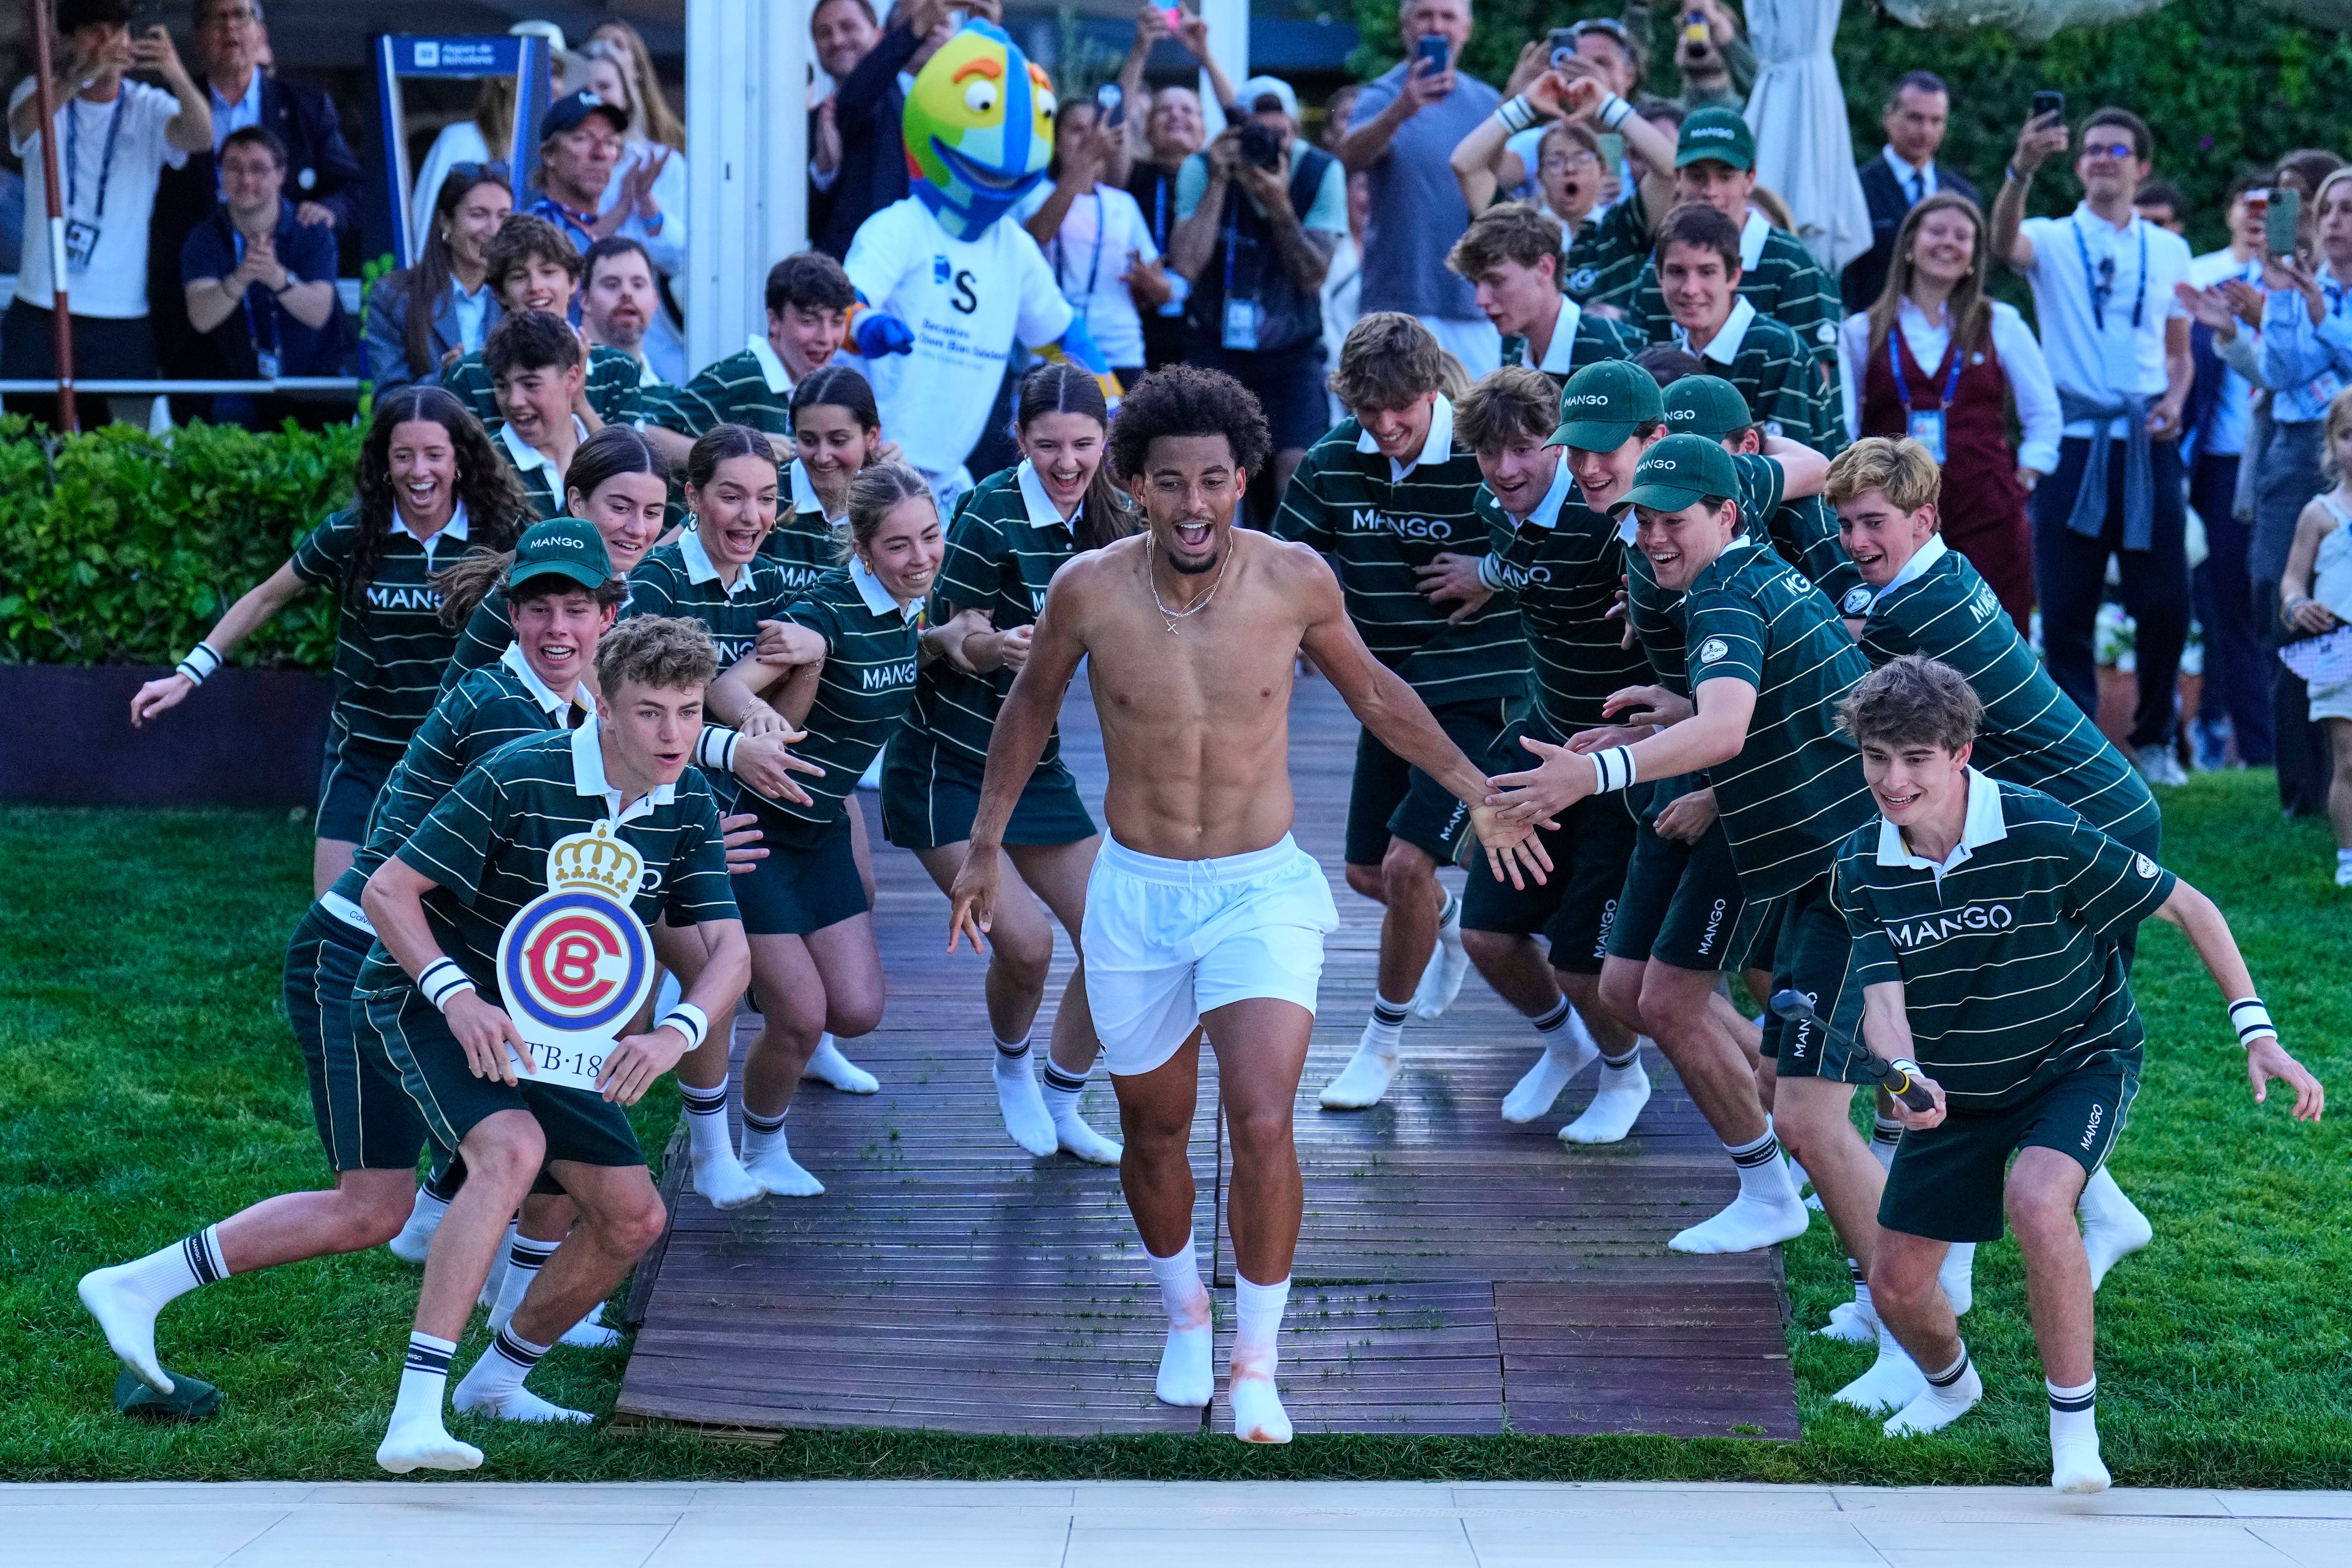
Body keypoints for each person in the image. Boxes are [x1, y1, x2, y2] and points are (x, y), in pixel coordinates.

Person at [943, 364, 1543, 1443]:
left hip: (1258, 889)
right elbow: (1027, 711)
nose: (1191, 504)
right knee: (1153, 1127)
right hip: (1136, 894)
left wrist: (1475, 793)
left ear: (1242, 479)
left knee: (1265, 1119)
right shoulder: (1085, 588)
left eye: (1213, 480)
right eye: (1168, 482)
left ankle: (1258, 1364)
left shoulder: (1295, 578)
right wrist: (985, 847)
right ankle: (1184, 1319)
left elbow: (1376, 695)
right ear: (1132, 484)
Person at [77, 521, 631, 1407]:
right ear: (511, 615)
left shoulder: (575, 702)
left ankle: (495, 1356)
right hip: (362, 958)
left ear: (611, 612)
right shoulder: (500, 711)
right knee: (379, 1203)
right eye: (539, 609)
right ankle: (144, 1285)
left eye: (578, 607)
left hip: (445, 964)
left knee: (510, 1154)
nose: (558, 627)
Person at [1830, 654, 2323, 1493]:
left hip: (2078, 1056)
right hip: (1963, 1085)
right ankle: (1953, 1388)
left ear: (1960, 753)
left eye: (1914, 757)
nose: (1893, 777)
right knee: (1897, 1285)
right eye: (1878, 756)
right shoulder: (1861, 865)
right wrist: (1906, 1074)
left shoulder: (2040, 830)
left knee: (2037, 1197)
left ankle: (2075, 1439)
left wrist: (2257, 1030)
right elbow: (1882, 1004)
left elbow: (2188, 905)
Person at [354, 614, 749, 1472]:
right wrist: (454, 996)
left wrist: (676, 1034)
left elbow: (732, 953)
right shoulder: (517, 770)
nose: (673, 733)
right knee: (512, 1151)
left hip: (562, 1035)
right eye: (650, 711)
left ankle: (495, 1380)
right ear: (603, 707)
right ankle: (414, 1414)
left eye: (688, 710)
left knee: (635, 1217)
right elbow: (389, 892)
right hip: (435, 1002)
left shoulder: (688, 803)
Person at [1491, 431, 1884, 1269]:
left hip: (1839, 863)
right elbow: (1764, 697)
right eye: (1640, 519)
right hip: (1817, 850)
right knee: (1647, 997)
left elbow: (1729, 725)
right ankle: (1822, 1226)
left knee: (1802, 1100)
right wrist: (1669, 707)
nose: (1650, 535)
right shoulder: (1742, 575)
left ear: (1728, 512)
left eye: (1671, 519)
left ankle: (1901, 1305)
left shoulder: (1724, 596)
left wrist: (1593, 772)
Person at [1826, 435, 2165, 1358]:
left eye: (1873, 523)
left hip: (2086, 829)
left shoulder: (1914, 612)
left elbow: (1832, 701)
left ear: (1922, 521)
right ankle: (2103, 1217)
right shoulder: (1944, 573)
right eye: (1845, 522)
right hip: (2096, 808)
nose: (1855, 539)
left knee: (2001, 1040)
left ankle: (1955, 1274)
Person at [1542, 360, 1825, 1253]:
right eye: (1575, 452)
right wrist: (1669, 707)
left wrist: (1611, 771)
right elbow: (1725, 702)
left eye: (1604, 452)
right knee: (1630, 991)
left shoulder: (1722, 567)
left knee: (1704, 1006)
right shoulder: (1672, 537)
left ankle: (1793, 1175)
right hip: (1719, 776)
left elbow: (1736, 721)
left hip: (1769, 803)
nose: (1588, 470)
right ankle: (1791, 1145)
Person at [132, 386, 529, 894]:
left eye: (434, 454)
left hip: (462, 753)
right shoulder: (352, 532)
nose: (418, 471)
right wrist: (189, 674)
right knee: (334, 922)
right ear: (385, 463)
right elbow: (266, 599)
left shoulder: (501, 534)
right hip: (365, 752)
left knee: (453, 921)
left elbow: (556, 610)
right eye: (403, 456)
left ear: (460, 460)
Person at [1271, 313, 1524, 1109]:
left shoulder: (1488, 447)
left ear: (1431, 389)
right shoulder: (1334, 459)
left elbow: (1574, 525)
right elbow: (1282, 564)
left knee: (1408, 866)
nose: (1384, 428)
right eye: (1366, 411)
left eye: (1401, 412)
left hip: (1487, 690)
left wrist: (1492, 567)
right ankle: (1447, 923)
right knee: (1365, 873)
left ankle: (1380, 1045)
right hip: (1387, 694)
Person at [886, 363, 1130, 1162]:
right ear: (1019, 440)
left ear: (1106, 441)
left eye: (1083, 444)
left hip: (1036, 760)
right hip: (947, 760)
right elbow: (944, 639)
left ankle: (1063, 1096)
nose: (1067, 462)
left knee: (1122, 938)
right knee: (1027, 946)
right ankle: (1012, 1065)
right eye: (1048, 444)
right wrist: (993, 646)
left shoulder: (1117, 511)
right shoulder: (990, 509)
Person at [699, 461, 948, 1194]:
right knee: (804, 1016)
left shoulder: (910, 605)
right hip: (757, 831)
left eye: (930, 537)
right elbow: (724, 685)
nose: (921, 557)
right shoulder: (824, 612)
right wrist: (762, 717)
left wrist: (960, 636)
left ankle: (763, 986)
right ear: (864, 551)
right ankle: (762, 1146)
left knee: (859, 1011)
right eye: (898, 547)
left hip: (822, 829)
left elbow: (903, 648)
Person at [1437, 366, 1652, 1138]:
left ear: (1561, 449)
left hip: (1621, 767)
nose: (1506, 469)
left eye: (1527, 449)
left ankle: (1625, 1078)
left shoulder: (1613, 526)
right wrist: (1485, 574)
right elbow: (1517, 556)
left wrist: (1653, 596)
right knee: (1486, 933)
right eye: (1490, 451)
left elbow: (1685, 566)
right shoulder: (1492, 508)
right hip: (1540, 745)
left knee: (1582, 960)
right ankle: (1566, 1044)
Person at [1991, 105, 2194, 788]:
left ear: (2142, 168)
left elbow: (2179, 353)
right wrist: (2022, 167)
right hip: (2074, 443)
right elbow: (2001, 245)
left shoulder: (2168, 249)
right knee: (2069, 601)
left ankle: (2157, 737)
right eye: (2092, 150)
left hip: (2145, 442)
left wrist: (2173, 401)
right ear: (2078, 165)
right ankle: (2079, 748)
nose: (2104, 158)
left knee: (2164, 600)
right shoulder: (2049, 237)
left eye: (2118, 150)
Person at [841, 19, 1117, 512]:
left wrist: (1113, 403)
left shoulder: (1012, 246)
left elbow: (1062, 336)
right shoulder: (899, 227)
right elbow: (843, 305)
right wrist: (866, 325)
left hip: (948, 479)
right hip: (871, 467)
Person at [1840, 192, 2058, 632]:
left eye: (1963, 236)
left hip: (1988, 514)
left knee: (1996, 641)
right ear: (1909, 245)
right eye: (1936, 231)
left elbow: (2045, 415)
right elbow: (1846, 427)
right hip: (1896, 517)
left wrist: (2025, 477)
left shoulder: (2002, 324)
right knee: (1899, 642)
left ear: (1974, 256)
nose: (1949, 243)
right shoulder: (1862, 330)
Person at [2, 0, 210, 429]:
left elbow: (201, 136)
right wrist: (79, 75)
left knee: (122, 457)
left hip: (120, 317)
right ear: (69, 40)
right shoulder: (41, 92)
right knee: (31, 444)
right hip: (42, 307)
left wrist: (174, 72)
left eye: (118, 31)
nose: (109, 43)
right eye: (95, 31)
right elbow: (25, 125)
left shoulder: (149, 105)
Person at [149, 0, 361, 400]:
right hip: (199, 328)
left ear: (261, 34)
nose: (230, 28)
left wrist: (329, 213)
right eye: (217, 18)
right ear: (197, 38)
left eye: (241, 16)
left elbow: (353, 188)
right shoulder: (166, 105)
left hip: (295, 333)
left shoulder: (306, 106)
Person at [1164, 73, 1348, 508]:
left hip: (1293, 348)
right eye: (1256, 133)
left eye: (1278, 134)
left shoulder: (1320, 171)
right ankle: (1219, 572)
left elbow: (1313, 275)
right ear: (1235, 132)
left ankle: (1284, 573)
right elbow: (1187, 265)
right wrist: (1219, 183)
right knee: (1211, 471)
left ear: (1295, 131)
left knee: (1299, 470)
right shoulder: (1202, 167)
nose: (1269, 144)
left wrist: (1282, 205)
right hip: (1214, 343)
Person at [1338, 0, 1502, 377]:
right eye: (1424, 15)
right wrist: (1401, 110)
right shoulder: (1381, 95)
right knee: (1391, 423)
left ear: (1467, 29)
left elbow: (1511, 182)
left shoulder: (1487, 102)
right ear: (1405, 26)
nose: (1436, 26)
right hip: (1398, 301)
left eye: (1448, 16)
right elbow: (1347, 160)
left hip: (1476, 303)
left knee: (1478, 427)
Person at [439, 424, 671, 687]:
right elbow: (610, 704)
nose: (637, 529)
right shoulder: (537, 581)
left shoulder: (625, 580)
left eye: (652, 513)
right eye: (620, 508)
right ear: (577, 502)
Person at [2179, 176, 2271, 772]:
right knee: (2232, 604)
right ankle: (2257, 752)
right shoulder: (2201, 272)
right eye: (2251, 204)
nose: (2261, 216)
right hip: (2218, 462)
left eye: (2275, 206)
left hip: (2286, 454)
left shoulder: (2304, 281)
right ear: (2230, 211)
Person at [176, 125, 345, 428]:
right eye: (234, 169)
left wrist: (276, 277)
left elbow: (319, 312)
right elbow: (201, 317)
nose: (246, 180)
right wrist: (240, 278)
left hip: (313, 384)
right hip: (241, 385)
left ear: (281, 175)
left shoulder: (310, 230)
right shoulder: (205, 236)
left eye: (258, 169)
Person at [813, 0, 1002, 259]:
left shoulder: (966, 107)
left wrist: (986, 36)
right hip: (866, 268)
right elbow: (858, 93)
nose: (930, 29)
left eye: (942, 23)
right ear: (891, 39)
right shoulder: (859, 101)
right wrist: (916, 27)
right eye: (922, 22)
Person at [440, 215, 645, 438]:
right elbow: (470, 465)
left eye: (548, 272)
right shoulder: (468, 375)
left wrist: (580, 405)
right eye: (519, 277)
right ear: (500, 293)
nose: (536, 287)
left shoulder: (618, 369)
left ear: (573, 283)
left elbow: (634, 466)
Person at [648, 251, 855, 467]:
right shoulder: (742, 377)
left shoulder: (815, 388)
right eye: (809, 321)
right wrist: (734, 453)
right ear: (774, 321)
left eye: (838, 322)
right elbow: (649, 434)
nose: (826, 338)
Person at [1651, 203, 1833, 450]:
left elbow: (1788, 471)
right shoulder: (1667, 359)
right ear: (1659, 275)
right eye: (1677, 272)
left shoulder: (1778, 352)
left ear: (1735, 276)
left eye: (1707, 272)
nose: (1690, 289)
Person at [1117, 2, 1235, 372]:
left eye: (1188, 111)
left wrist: (1205, 55)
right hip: (1139, 326)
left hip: (1204, 329)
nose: (1176, 117)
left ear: (1204, 130)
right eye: (1164, 111)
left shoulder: (1219, 176)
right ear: (1148, 129)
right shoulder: (1132, 173)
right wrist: (1139, 51)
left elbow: (1242, 120)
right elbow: (1118, 122)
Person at [1020, 97, 1166, 389]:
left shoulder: (1123, 204)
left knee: (1126, 435)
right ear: (1055, 141)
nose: (1091, 139)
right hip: (1052, 344)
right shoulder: (1032, 195)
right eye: (1078, 130)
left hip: (1120, 348)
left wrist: (1152, 286)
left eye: (1097, 130)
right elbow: (1041, 234)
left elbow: (1161, 291)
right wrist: (1084, 161)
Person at [2275, 390, 2352, 885]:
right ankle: (2348, 858)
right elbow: (2291, 579)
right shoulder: (2319, 514)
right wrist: (2295, 607)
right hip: (2337, 651)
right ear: (2329, 442)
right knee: (2347, 758)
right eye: (2347, 436)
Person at [576, 40, 686, 382]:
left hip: (655, 328)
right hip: (584, 322)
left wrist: (646, 199)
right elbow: (571, 253)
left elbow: (678, 256)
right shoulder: (564, 165)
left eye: (606, 87)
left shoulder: (663, 162)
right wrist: (623, 206)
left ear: (627, 95)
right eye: (586, 88)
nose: (596, 97)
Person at [1446, 201, 1638, 389]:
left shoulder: (1615, 355)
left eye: (1497, 281)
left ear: (1545, 268)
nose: (1481, 300)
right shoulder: (1516, 359)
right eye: (1475, 284)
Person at [522, 88, 672, 327]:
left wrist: (629, 203)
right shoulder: (532, 232)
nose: (600, 153)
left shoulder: (593, 228)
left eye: (611, 143)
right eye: (581, 139)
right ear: (549, 154)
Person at [364, 165, 511, 395]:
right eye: (479, 214)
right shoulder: (394, 297)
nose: (494, 229)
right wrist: (445, 379)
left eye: (504, 216)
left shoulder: (522, 295)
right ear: (446, 223)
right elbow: (387, 400)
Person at [1843, 72, 1980, 314]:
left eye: (1935, 121)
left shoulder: (1964, 197)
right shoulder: (1854, 189)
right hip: (1872, 332)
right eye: (1915, 118)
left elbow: (1978, 277)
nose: (1925, 131)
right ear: (1889, 117)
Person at [485, 310, 591, 519]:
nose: (515, 401)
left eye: (531, 385)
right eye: (502, 386)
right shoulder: (483, 465)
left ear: (572, 379)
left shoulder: (605, 456)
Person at [577, 235, 665, 389]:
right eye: (611, 284)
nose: (627, 293)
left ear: (655, 300)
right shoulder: (562, 382)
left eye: (638, 285)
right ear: (585, 300)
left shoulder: (669, 398)